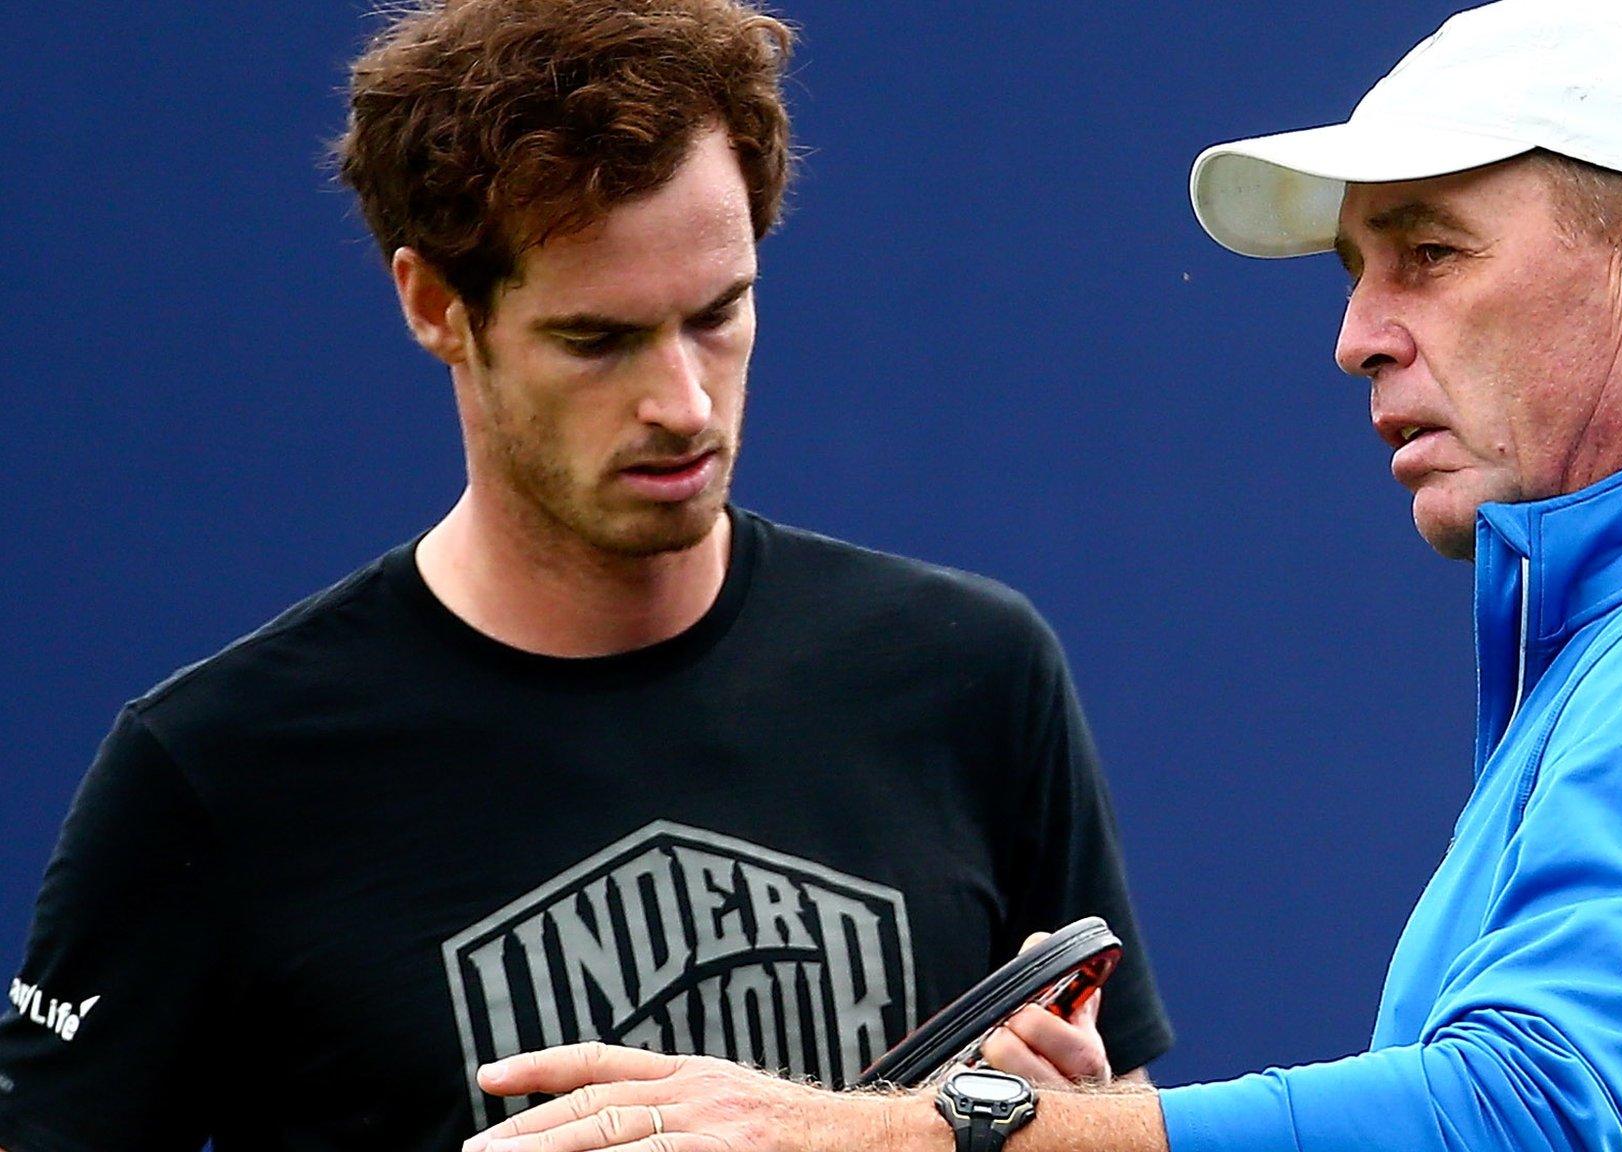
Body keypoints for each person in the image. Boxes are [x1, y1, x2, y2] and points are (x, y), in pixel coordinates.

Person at [459, 0, 1622, 1149]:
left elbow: (1536, 1114)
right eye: (1359, 271)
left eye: (1427, 253)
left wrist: (935, 1138)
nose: (1358, 333)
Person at [0, 1, 1175, 1148]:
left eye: (719, 314)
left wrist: (1036, 1130)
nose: (684, 403)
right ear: (436, 306)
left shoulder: (970, 675)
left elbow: (1114, 1110)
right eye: (596, 340)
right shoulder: (215, 770)